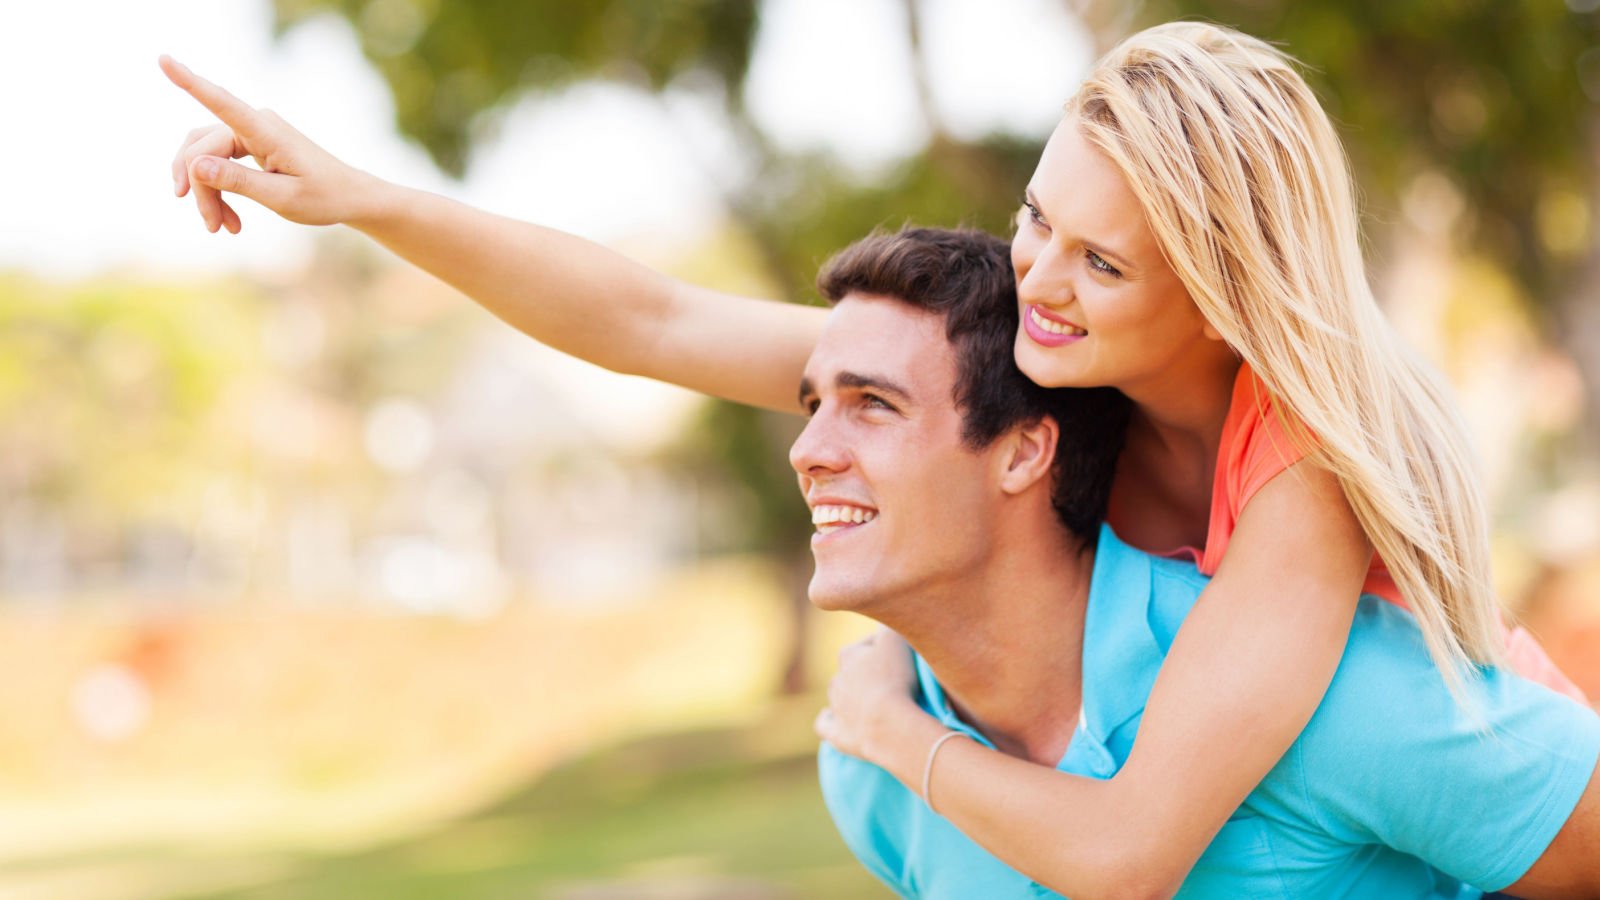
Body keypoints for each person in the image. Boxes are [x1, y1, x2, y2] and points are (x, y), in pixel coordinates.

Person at [158, 19, 1587, 891]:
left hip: (1507, 802)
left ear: (1217, 294)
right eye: (1038, 218)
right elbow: (650, 317)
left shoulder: (1303, 486)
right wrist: (363, 202)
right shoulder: (1043, 367)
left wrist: (891, 728)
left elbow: (1129, 853)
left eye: (1103, 261)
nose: (1040, 277)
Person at [799, 226, 1599, 898]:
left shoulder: (1315, 694)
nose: (808, 451)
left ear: (1022, 453)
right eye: (813, 405)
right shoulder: (866, 771)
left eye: (872, 404)